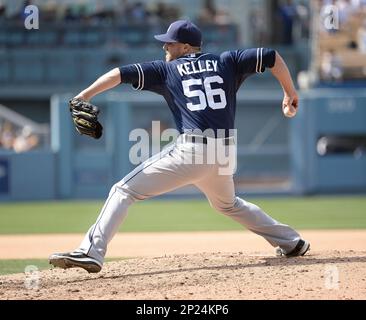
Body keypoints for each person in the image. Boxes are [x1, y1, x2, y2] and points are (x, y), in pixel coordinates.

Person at [49, 20, 310, 273]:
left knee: (122, 190)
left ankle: (90, 251)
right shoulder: (227, 60)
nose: (164, 48)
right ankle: (291, 242)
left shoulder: (167, 71)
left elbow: (120, 74)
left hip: (192, 151)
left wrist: (84, 96)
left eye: (169, 44)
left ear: (185, 47)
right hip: (224, 152)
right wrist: (289, 92)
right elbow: (272, 56)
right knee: (228, 205)